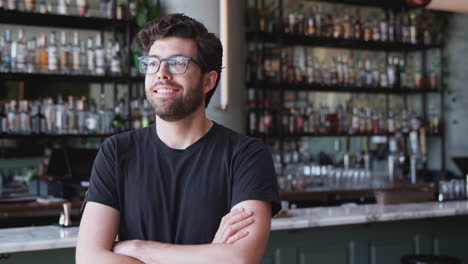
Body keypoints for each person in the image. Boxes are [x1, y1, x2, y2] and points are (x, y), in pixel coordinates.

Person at [76, 13, 281, 264]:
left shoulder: (246, 155)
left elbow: (238, 260)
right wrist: (209, 255)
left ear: (208, 81)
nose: (161, 73)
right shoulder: (117, 152)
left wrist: (139, 249)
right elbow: (89, 259)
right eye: (152, 63)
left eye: (177, 63)